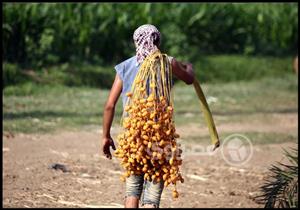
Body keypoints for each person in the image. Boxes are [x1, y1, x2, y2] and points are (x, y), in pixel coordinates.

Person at [102, 24, 195, 208]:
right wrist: (189, 67)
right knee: (151, 197)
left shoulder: (126, 66)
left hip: (134, 136)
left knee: (133, 190)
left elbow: (109, 105)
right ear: (158, 41)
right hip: (160, 136)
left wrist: (106, 136)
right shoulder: (168, 62)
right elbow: (189, 79)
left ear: (136, 42)